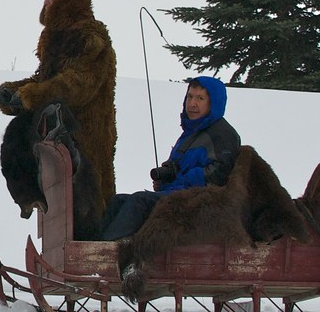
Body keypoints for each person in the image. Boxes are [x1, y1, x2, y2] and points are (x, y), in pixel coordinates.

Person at [0, 0, 117, 232]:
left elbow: (76, 85)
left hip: (82, 132)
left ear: (67, 2)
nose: (46, 3)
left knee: (87, 201)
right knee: (17, 134)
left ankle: (91, 250)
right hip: (55, 125)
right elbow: (44, 79)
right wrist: (11, 93)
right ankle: (31, 198)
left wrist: (31, 95)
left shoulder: (91, 38)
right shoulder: (55, 39)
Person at [99, 76, 240, 241]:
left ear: (213, 102)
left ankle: (104, 253)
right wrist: (166, 178)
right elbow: (179, 166)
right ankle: (89, 247)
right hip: (179, 193)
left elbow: (219, 174)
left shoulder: (222, 133)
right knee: (118, 201)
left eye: (200, 98)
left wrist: (181, 179)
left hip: (199, 202)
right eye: (190, 96)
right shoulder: (192, 132)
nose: (192, 103)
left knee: (139, 201)